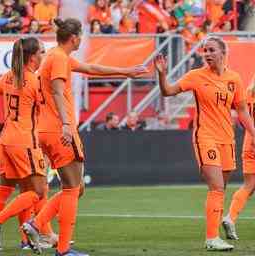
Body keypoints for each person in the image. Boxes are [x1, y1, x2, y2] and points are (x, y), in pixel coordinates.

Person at [22, 17, 147, 256]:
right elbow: (58, 91)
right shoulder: (58, 58)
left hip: (48, 129)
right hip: (60, 129)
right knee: (72, 189)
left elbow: (91, 68)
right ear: (75, 37)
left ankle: (36, 224)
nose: (82, 39)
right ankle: (63, 249)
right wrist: (67, 124)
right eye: (81, 35)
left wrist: (125, 72)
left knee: (75, 188)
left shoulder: (57, 57)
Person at [154, 36, 255, 251]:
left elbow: (243, 111)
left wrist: (253, 133)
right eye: (204, 50)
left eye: (211, 50)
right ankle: (211, 238)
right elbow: (168, 91)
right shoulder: (196, 76)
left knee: (222, 188)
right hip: (205, 136)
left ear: (222, 52)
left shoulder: (234, 79)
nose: (207, 54)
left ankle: (215, 233)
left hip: (227, 138)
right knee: (217, 187)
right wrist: (162, 75)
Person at [0, 37, 47, 254]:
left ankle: (25, 240)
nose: (43, 56)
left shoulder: (8, 77)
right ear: (32, 56)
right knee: (37, 191)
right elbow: (47, 110)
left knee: (10, 188)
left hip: (6, 139)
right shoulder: (35, 81)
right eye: (42, 52)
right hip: (25, 141)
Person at [222, 76, 255, 240]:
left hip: (250, 141)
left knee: (249, 185)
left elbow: (242, 116)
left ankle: (230, 217)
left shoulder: (248, 92)